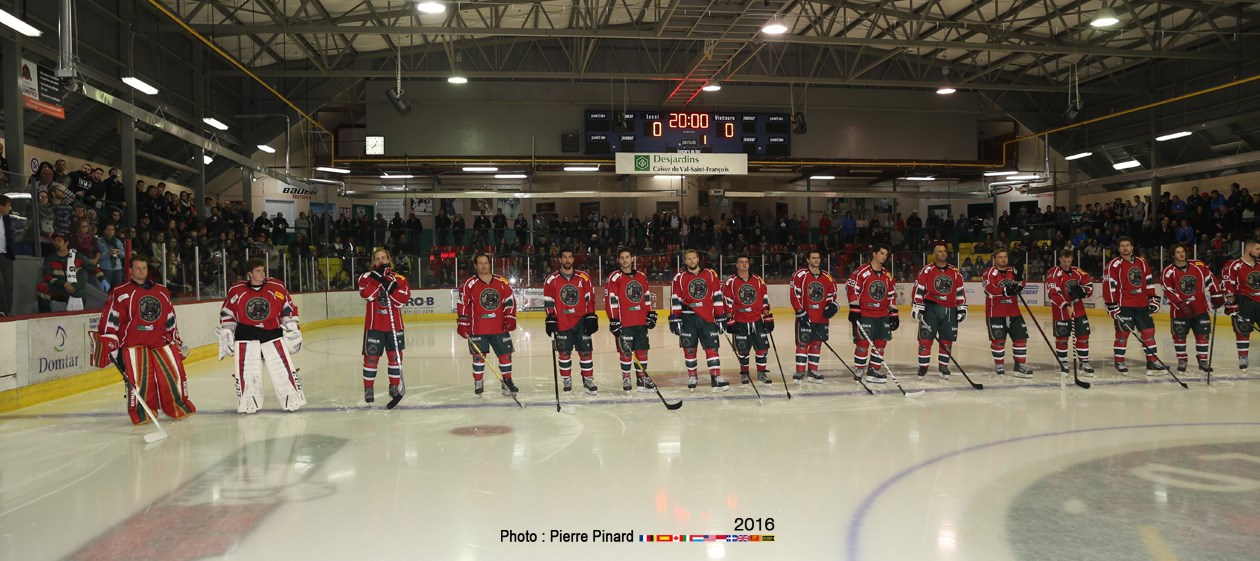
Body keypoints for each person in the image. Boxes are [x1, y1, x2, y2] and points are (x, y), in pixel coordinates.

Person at [95, 255, 196, 424]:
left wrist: (175, 340)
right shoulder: (120, 292)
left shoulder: (161, 291)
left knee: (171, 376)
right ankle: (143, 412)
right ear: (130, 270)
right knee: (140, 383)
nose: (141, 271)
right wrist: (110, 344)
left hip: (159, 343)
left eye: (144, 268)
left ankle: (176, 406)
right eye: (137, 268)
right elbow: (110, 319)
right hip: (133, 346)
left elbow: (170, 318)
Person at [217, 258, 305, 413]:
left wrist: (291, 326)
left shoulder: (276, 286)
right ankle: (248, 401)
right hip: (246, 333)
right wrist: (228, 330)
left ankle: (292, 398)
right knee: (248, 370)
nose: (262, 274)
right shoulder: (236, 290)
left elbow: (287, 307)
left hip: (272, 332)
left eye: (263, 270)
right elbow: (228, 312)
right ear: (249, 274)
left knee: (281, 369)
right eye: (258, 271)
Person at [457, 253, 518, 396]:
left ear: (490, 264)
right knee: (478, 357)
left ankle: (507, 381)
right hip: (478, 327)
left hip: (499, 326)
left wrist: (509, 316)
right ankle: (478, 381)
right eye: (480, 263)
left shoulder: (501, 282)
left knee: (505, 355)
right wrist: (463, 322)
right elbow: (463, 304)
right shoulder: (469, 284)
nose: (484, 266)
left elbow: (510, 300)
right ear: (475, 266)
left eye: (486, 263)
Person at [1103, 236, 1166, 375]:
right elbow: (1108, 285)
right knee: (1122, 334)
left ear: (1132, 247)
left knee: (1148, 332)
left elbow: (1148, 281)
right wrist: (1112, 304)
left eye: (1128, 245)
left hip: (1142, 304)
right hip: (1123, 305)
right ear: (1118, 249)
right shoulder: (1113, 264)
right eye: (1122, 246)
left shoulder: (1142, 262)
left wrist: (1152, 298)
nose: (1125, 248)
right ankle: (1119, 361)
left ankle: (1152, 361)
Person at [357, 248, 412, 403]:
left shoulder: (400, 278)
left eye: (383, 258)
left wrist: (387, 283)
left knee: (395, 358)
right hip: (374, 327)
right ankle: (368, 389)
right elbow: (368, 295)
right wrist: (379, 279)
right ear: (373, 262)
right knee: (371, 359)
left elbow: (401, 300)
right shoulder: (366, 277)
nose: (380, 261)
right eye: (377, 258)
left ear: (389, 260)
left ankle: (394, 387)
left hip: (395, 327)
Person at [670, 249, 729, 392]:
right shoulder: (679, 277)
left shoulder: (710, 274)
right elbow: (675, 299)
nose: (691, 261)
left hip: (707, 317)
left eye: (694, 258)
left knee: (712, 347)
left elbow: (717, 296)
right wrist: (675, 318)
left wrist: (721, 316)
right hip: (688, 317)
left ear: (698, 259)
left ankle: (715, 377)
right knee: (689, 348)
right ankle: (692, 376)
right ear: (684, 261)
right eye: (688, 259)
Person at [542, 248, 599, 395]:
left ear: (573, 259)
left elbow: (590, 299)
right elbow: (548, 301)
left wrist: (591, 316)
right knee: (564, 353)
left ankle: (588, 380)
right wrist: (550, 318)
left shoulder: (583, 277)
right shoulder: (551, 280)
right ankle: (566, 380)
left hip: (581, 321)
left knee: (586, 352)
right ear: (559, 260)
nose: (567, 260)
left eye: (570, 257)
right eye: (564, 257)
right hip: (562, 321)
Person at [1160, 243, 1222, 373]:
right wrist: (1182, 304)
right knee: (1179, 336)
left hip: (1200, 309)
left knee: (1203, 335)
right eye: (1178, 252)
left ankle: (1203, 360)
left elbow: (1210, 279)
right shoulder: (1168, 271)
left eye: (1182, 251)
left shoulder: (1198, 265)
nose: (1181, 254)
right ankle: (1182, 360)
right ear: (1173, 255)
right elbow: (1167, 290)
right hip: (1180, 311)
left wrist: (1216, 293)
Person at [605, 247, 658, 392]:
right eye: (622, 257)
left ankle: (642, 378)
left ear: (632, 258)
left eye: (627, 257)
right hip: (625, 321)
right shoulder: (615, 277)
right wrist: (614, 319)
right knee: (626, 352)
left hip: (640, 321)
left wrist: (650, 313)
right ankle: (626, 377)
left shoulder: (641, 276)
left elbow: (646, 297)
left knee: (642, 350)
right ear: (618, 260)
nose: (624, 260)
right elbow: (611, 300)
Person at [911, 242, 967, 379]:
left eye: (944, 251)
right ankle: (923, 367)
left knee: (947, 340)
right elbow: (919, 288)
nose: (943, 253)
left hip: (949, 309)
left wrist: (962, 307)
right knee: (925, 339)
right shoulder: (927, 270)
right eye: (940, 251)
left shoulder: (954, 271)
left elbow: (959, 291)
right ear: (935, 254)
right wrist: (917, 305)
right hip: (931, 308)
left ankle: (944, 366)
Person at [847, 244, 898, 383]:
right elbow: (852, 290)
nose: (884, 256)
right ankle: (860, 369)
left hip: (882, 315)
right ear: (874, 254)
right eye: (881, 253)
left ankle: (873, 370)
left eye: (886, 254)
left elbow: (892, 294)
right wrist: (854, 309)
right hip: (866, 314)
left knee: (881, 343)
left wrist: (894, 313)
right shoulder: (862, 272)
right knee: (863, 343)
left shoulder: (887, 274)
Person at [721, 254, 774, 385]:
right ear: (737, 265)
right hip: (740, 320)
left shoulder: (758, 280)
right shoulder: (730, 281)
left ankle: (761, 373)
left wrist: (767, 316)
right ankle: (744, 373)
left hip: (756, 320)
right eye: (741, 262)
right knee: (743, 350)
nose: (744, 264)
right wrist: (729, 319)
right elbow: (727, 302)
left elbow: (763, 299)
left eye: (746, 262)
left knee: (762, 349)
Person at [982, 249, 1033, 377]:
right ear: (995, 259)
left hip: (1014, 312)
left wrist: (1020, 282)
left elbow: (1021, 283)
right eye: (1000, 257)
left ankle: (1020, 364)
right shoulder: (989, 273)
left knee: (1021, 338)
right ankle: (999, 364)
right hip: (995, 313)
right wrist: (1005, 290)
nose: (1003, 259)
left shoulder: (1013, 270)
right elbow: (989, 290)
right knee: (998, 340)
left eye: (1005, 256)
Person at [790, 250, 838, 382]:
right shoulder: (800, 275)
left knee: (816, 344)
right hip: (806, 316)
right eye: (813, 258)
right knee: (802, 343)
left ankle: (813, 370)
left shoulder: (827, 277)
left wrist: (832, 306)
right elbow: (795, 295)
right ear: (807, 260)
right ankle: (800, 372)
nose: (816, 260)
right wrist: (800, 311)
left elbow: (832, 295)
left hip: (821, 318)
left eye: (818, 258)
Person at [1046, 249, 1094, 375]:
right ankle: (1063, 362)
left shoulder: (1077, 271)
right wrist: (1066, 305)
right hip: (1061, 310)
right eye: (1064, 260)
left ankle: (1084, 362)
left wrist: (1082, 291)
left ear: (1072, 259)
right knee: (1062, 337)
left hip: (1078, 309)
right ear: (1060, 259)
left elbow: (1089, 285)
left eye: (1068, 261)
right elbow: (1054, 293)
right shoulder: (1053, 273)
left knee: (1083, 336)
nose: (1066, 263)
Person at [37, 233, 103, 312]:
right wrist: (63, 284)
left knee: (77, 317)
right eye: (55, 241)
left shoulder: (77, 256)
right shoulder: (49, 259)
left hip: (76, 291)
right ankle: (45, 315)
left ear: (66, 243)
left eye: (59, 241)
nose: (56, 242)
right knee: (41, 287)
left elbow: (92, 268)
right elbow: (47, 277)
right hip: (60, 290)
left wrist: (102, 278)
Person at [1221, 239, 1260, 370]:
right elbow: (1228, 285)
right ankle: (1243, 356)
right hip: (1244, 302)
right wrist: (1230, 303)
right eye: (1257, 249)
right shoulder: (1233, 265)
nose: (1259, 252)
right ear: (1249, 249)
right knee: (1243, 331)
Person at [0, 195, 15, 316]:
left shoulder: (7, 219)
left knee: (8, 284)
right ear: (1, 206)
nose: (10, 208)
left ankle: (7, 312)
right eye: (8, 205)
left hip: (5, 255)